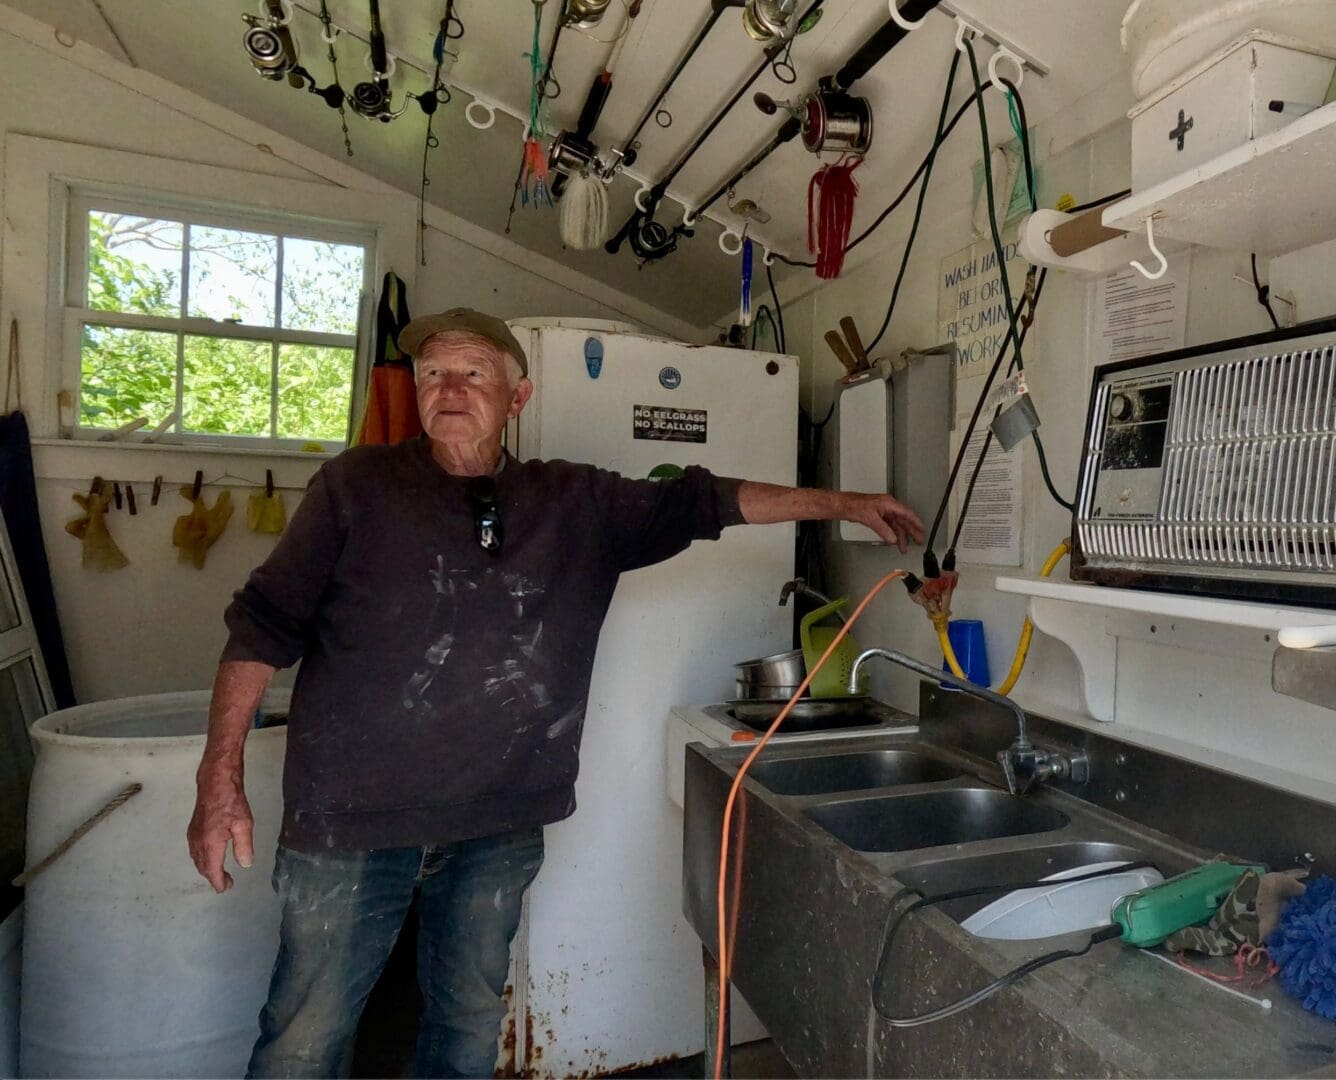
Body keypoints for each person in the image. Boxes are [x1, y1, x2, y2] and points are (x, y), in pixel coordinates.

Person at [187, 308, 924, 1078]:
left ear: (518, 396)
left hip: (497, 819)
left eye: (474, 373)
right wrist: (219, 779)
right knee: (306, 1031)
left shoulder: (573, 502)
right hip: (347, 817)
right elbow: (263, 627)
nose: (451, 389)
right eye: (434, 373)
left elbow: (706, 501)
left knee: (469, 1022)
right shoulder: (353, 487)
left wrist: (842, 505)